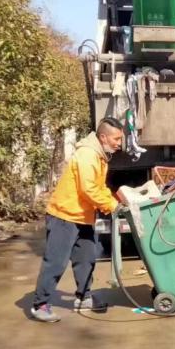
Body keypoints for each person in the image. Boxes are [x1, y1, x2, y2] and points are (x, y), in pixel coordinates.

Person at [30, 118, 125, 323]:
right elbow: (88, 189)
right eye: (116, 139)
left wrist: (114, 203)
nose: (119, 143)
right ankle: (40, 305)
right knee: (56, 262)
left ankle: (84, 297)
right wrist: (112, 206)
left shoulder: (99, 155)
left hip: (82, 216)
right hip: (64, 215)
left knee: (86, 258)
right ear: (103, 137)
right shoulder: (87, 155)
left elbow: (99, 188)